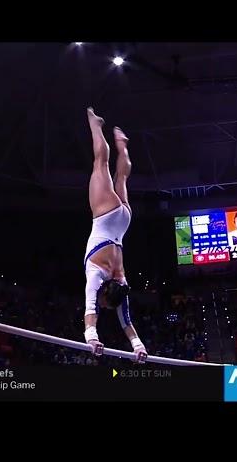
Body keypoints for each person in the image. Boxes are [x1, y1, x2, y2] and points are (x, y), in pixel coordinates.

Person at [83, 107, 147, 363]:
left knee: (121, 176)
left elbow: (127, 322)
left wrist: (139, 347)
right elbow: (90, 310)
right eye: (104, 302)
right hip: (106, 217)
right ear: (103, 293)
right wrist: (91, 337)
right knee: (100, 163)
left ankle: (122, 146)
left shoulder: (121, 283)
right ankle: (95, 125)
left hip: (123, 222)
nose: (101, 304)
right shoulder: (95, 274)